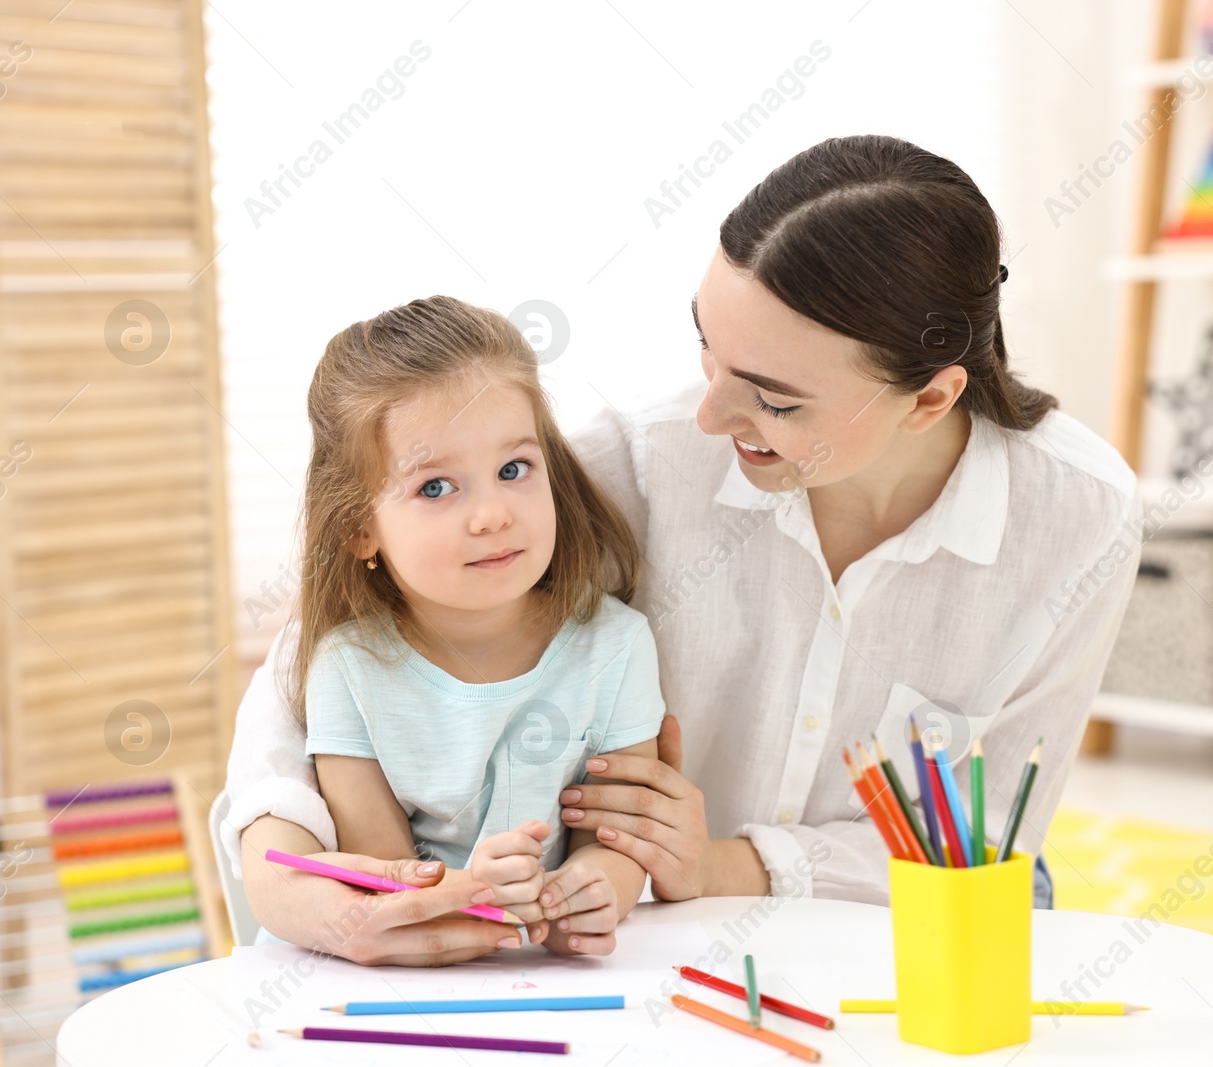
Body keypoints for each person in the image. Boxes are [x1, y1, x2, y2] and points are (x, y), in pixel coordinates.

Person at [222, 135, 1140, 966]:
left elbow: (986, 834)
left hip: (913, 913)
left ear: (931, 400)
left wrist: (720, 862)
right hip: (663, 935)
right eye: (709, 351)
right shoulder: (644, 458)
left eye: (774, 399)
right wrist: (281, 873)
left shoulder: (1077, 518)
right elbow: (336, 641)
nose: (710, 417)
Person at [254, 296, 664, 958]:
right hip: (414, 977)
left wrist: (588, 892)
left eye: (513, 469)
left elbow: (615, 846)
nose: (493, 514)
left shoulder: (616, 644)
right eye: (437, 488)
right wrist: (477, 887)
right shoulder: (347, 668)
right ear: (361, 528)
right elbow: (391, 879)